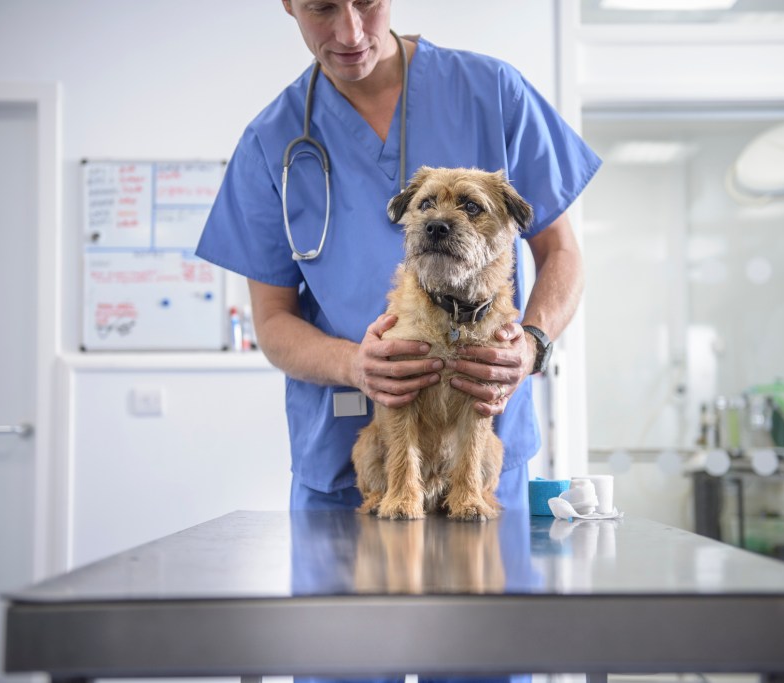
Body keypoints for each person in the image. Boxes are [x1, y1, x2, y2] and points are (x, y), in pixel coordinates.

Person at [196, 0, 600, 515]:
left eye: (367, 2)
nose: (350, 30)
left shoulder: (493, 93)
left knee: (487, 590)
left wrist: (532, 345)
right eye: (322, 8)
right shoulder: (268, 142)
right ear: (288, 4)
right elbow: (272, 321)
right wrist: (356, 366)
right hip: (348, 462)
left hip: (478, 457)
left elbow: (561, 251)